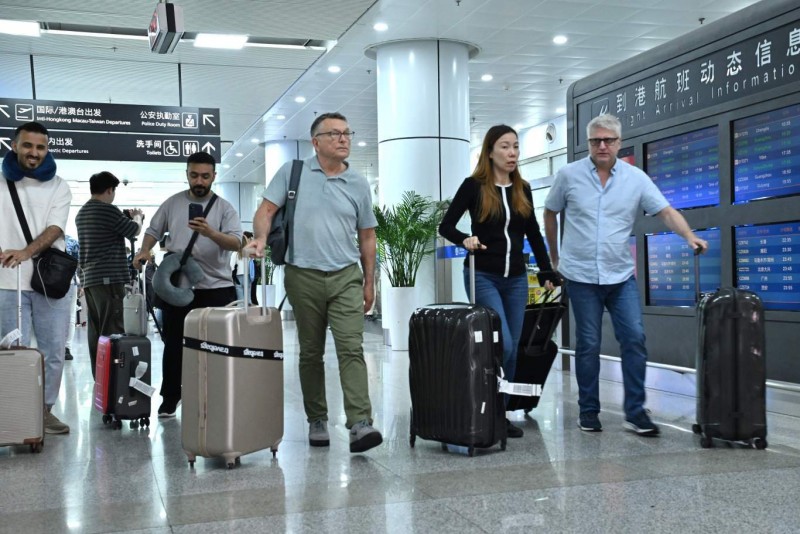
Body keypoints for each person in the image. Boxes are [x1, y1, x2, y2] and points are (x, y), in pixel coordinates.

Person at [544, 114, 708, 436]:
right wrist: (554, 256)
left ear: (619, 143)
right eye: (595, 140)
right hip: (581, 276)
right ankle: (588, 411)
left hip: (620, 275)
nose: (602, 146)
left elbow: (665, 211)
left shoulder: (636, 178)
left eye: (608, 140)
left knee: (634, 338)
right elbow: (550, 212)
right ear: (589, 143)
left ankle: (635, 412)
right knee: (588, 343)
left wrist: (689, 236)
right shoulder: (568, 175)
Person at [248, 112, 382, 453]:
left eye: (347, 133)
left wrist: (369, 282)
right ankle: (317, 418)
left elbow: (367, 236)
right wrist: (260, 239)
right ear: (316, 142)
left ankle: (360, 422)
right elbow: (266, 211)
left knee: (351, 348)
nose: (343, 138)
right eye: (334, 133)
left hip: (345, 276)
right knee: (311, 351)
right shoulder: (293, 172)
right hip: (302, 274)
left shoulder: (358, 183)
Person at [439, 124, 558, 439]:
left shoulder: (522, 189)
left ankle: (499, 413)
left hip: (516, 279)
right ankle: (486, 407)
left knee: (512, 348)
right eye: (505, 146)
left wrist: (546, 271)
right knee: (501, 342)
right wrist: (465, 239)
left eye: (515, 146)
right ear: (490, 152)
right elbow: (446, 226)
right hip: (483, 275)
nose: (512, 153)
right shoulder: (474, 186)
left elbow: (533, 233)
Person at [133, 151, 242, 417]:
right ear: (187, 175)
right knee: (174, 344)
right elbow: (153, 231)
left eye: (205, 176)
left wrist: (210, 232)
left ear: (214, 176)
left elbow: (237, 242)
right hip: (178, 287)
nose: (199, 181)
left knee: (219, 345)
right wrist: (144, 250)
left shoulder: (225, 208)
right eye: (194, 175)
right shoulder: (172, 203)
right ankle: (171, 396)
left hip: (216, 287)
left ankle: (218, 394)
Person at [0, 122, 72, 435]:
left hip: (49, 281)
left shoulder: (59, 186)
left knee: (53, 350)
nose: (34, 152)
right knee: (11, 350)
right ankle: (15, 411)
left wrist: (26, 252)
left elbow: (55, 228)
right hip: (6, 282)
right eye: (28, 145)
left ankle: (44, 410)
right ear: (15, 145)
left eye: (41, 147)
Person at [75, 172, 144, 379]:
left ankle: (100, 378)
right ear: (109, 190)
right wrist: (137, 217)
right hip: (109, 279)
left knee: (96, 330)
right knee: (113, 328)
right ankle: (113, 380)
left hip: (90, 280)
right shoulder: (107, 210)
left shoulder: (81, 213)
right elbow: (134, 230)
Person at [64, 235, 81, 361]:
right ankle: (67, 347)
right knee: (70, 316)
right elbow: (79, 264)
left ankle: (61, 346)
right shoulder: (72, 242)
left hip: (49, 281)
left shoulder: (44, 240)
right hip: (70, 281)